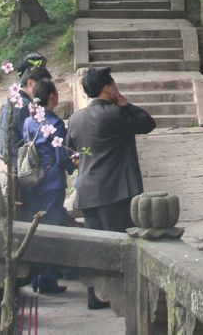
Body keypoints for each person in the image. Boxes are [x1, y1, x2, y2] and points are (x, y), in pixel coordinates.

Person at [65, 66, 156, 309]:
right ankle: (119, 296)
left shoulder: (75, 119)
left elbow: (69, 150)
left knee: (95, 244)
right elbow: (147, 123)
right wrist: (126, 104)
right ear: (107, 87)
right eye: (114, 84)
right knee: (119, 243)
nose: (116, 88)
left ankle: (95, 296)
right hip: (115, 191)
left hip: (87, 191)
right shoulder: (116, 115)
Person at [21, 79, 73, 294]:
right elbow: (61, 157)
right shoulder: (56, 123)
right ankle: (48, 279)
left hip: (33, 180)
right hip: (52, 181)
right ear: (52, 96)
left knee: (37, 229)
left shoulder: (29, 122)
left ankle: (37, 276)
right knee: (52, 229)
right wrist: (73, 163)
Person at [0, 64, 51, 163]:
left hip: (9, 154)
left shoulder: (13, 98)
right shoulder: (25, 105)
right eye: (43, 87)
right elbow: (37, 138)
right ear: (30, 83)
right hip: (20, 161)